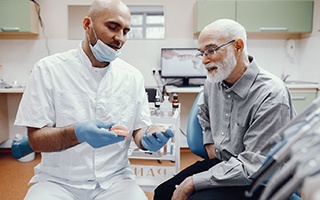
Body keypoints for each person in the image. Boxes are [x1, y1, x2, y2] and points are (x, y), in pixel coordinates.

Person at [14, 0, 174, 199]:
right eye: (112, 27)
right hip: (57, 181)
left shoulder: (132, 77)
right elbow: (35, 140)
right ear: (87, 25)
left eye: (125, 31)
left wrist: (148, 138)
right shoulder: (48, 70)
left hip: (115, 180)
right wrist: (77, 133)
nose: (120, 38)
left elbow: (139, 129)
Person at [154, 19, 297, 200]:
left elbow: (255, 165)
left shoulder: (271, 94)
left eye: (211, 50)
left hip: (263, 177)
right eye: (201, 53)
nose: (204, 60)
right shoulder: (213, 82)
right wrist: (209, 142)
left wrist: (194, 181)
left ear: (238, 46)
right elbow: (203, 114)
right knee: (163, 193)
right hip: (227, 165)